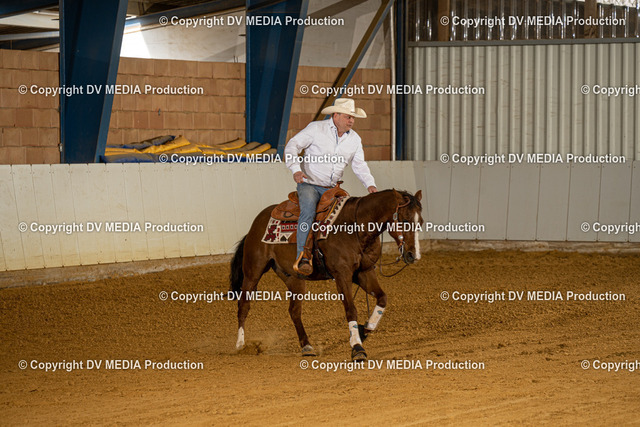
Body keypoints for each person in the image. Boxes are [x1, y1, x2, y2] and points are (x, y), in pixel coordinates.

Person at [284, 98, 377, 276]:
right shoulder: (316, 129)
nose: (351, 121)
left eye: (353, 117)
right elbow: (292, 146)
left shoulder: (355, 139)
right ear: (336, 115)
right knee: (308, 212)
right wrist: (296, 170)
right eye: (348, 117)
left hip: (333, 189)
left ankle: (344, 257)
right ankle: (303, 256)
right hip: (309, 184)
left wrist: (370, 184)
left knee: (348, 216)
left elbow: (360, 165)